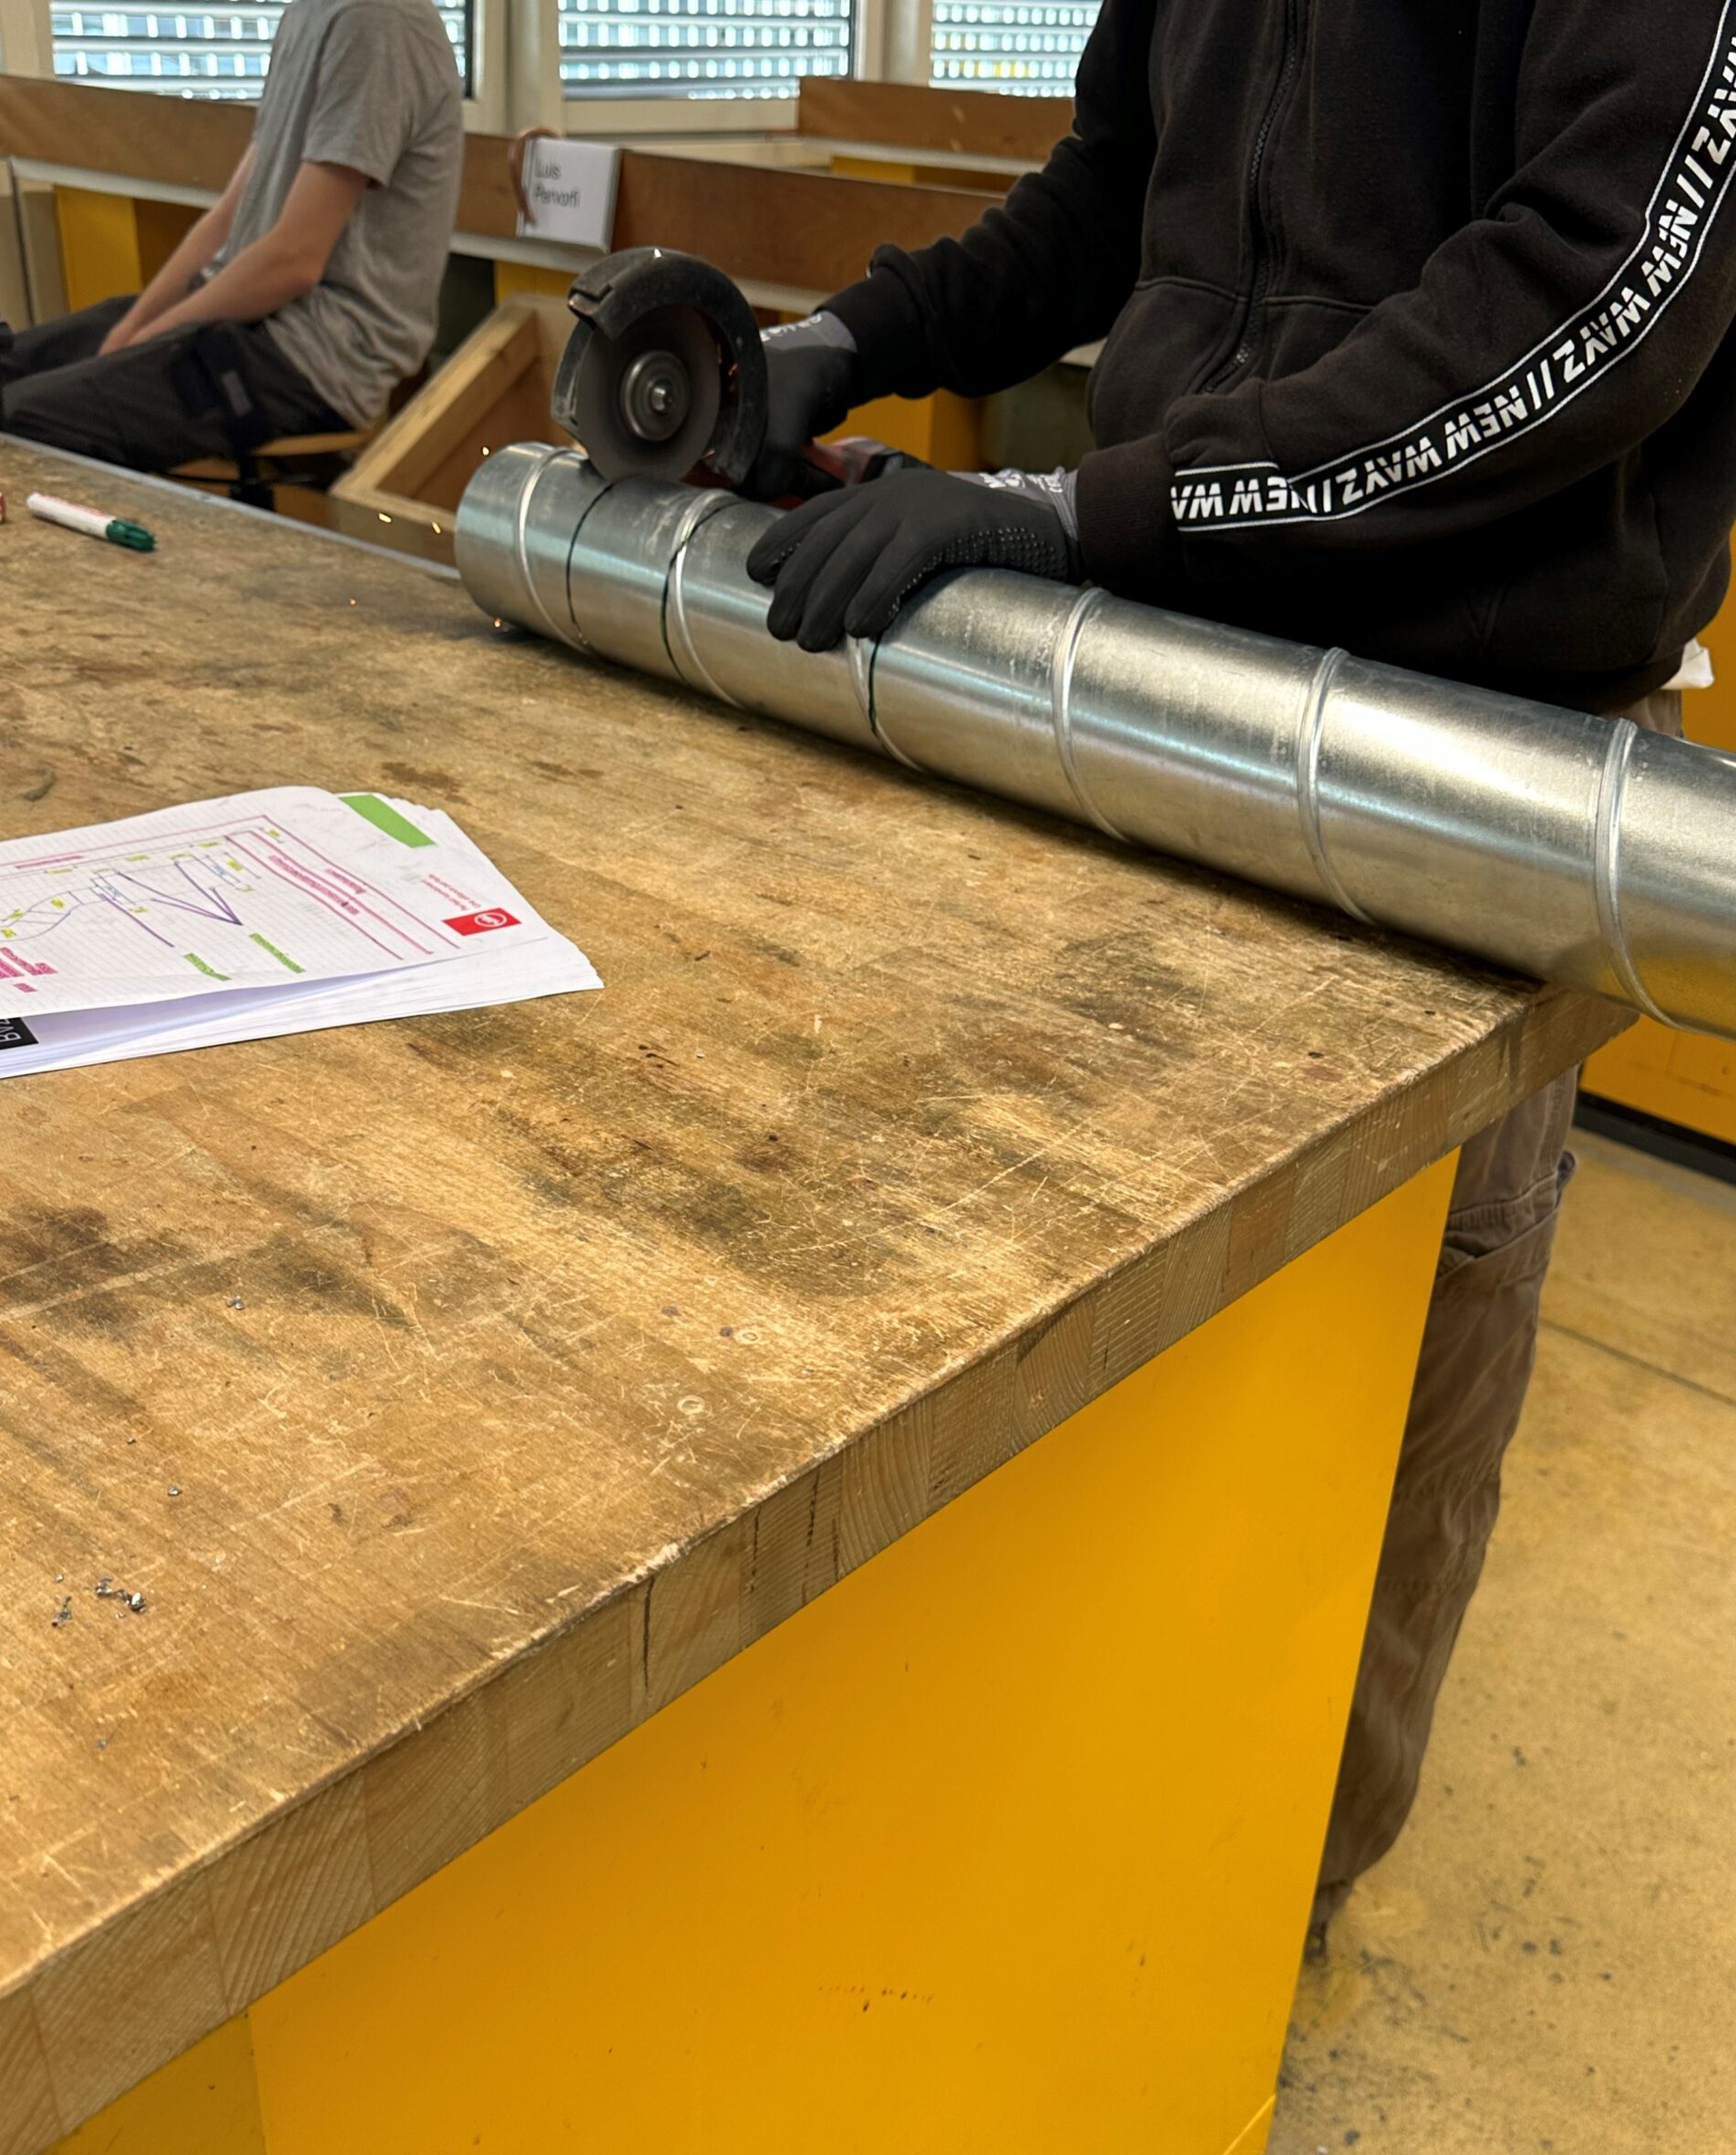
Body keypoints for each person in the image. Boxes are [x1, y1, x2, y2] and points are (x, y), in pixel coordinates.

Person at [744, 0, 1736, 1950]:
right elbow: (1123, 189)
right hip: (1176, 661)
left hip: (1470, 742)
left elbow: (1599, 301)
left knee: (1395, 1344)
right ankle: (1084, 1822)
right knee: (1117, 1279)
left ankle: (1280, 1894)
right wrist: (847, 339)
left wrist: (1087, 510)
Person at [0, 0, 464, 473]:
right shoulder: (309, 13)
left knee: (17, 425)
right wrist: (130, 330)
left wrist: (147, 339)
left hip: (310, 358)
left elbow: (294, 262)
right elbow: (228, 217)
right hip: (245, 320)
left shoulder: (376, 23)